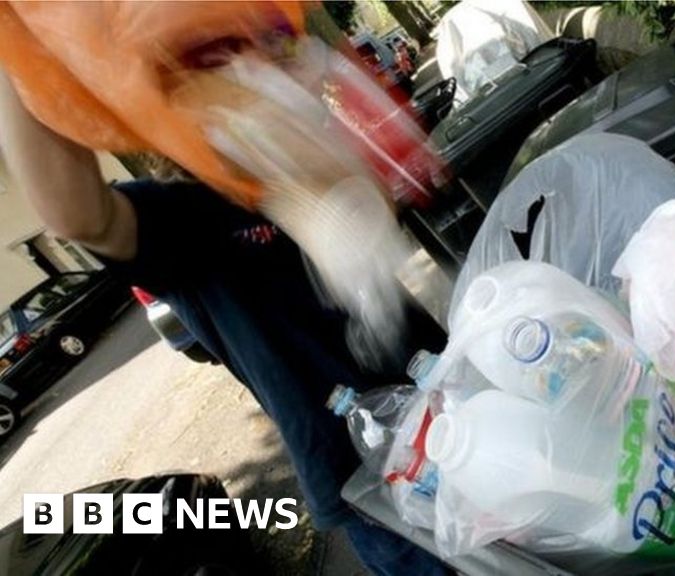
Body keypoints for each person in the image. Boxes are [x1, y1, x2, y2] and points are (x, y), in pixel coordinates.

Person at [0, 72, 448, 576]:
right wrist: (17, 59)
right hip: (373, 474)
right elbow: (78, 214)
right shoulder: (182, 216)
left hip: (454, 404)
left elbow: (380, 211)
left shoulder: (293, 164)